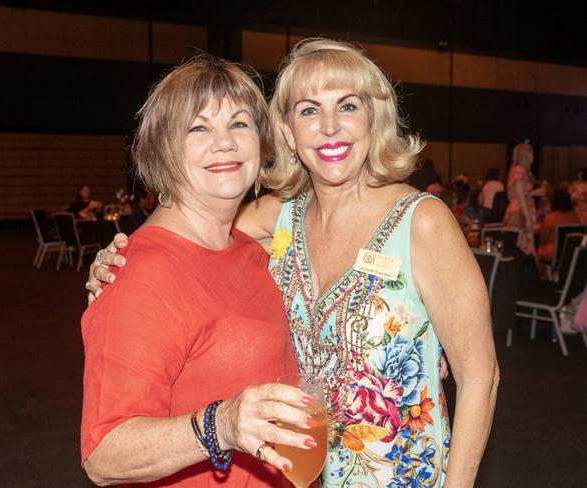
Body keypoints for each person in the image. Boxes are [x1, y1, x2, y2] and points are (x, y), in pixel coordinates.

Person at [89, 39, 499, 488]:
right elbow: (191, 231)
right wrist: (121, 257)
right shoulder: (279, 217)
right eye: (308, 111)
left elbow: (480, 375)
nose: (329, 127)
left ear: (373, 118)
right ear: (286, 132)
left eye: (347, 106)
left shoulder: (422, 223)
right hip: (304, 475)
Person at [80, 56, 319, 487]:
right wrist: (220, 425)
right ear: (162, 151)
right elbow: (104, 453)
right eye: (199, 128)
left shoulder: (250, 250)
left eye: (240, 124)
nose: (224, 142)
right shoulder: (140, 274)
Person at [504, 142, 537, 255]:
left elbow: (522, 193)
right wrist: (527, 218)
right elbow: (520, 196)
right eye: (532, 153)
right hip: (520, 211)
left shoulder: (518, 170)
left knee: (520, 245)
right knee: (520, 246)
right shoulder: (519, 171)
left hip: (519, 209)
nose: (533, 157)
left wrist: (533, 193)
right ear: (526, 155)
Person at [536, 189, 580, 262]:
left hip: (552, 253)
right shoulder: (575, 216)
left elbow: (542, 239)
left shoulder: (551, 217)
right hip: (571, 253)